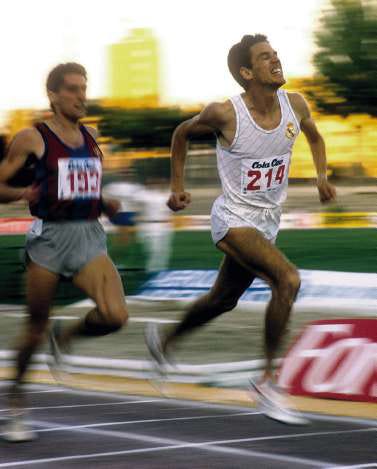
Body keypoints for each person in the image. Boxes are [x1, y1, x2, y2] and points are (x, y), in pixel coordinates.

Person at [146, 34, 336, 424]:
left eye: (276, 54)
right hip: (233, 218)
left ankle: (163, 341)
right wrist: (177, 187)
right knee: (287, 280)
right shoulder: (225, 113)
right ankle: (267, 382)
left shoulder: (295, 104)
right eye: (265, 57)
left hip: (267, 222)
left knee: (222, 300)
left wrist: (321, 176)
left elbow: (315, 137)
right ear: (246, 73)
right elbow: (181, 132)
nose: (276, 60)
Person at [0, 63, 128, 441]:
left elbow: (82, 185)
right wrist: (22, 194)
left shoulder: (90, 137)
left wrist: (105, 202)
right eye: (72, 89)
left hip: (89, 236)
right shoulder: (32, 138)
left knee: (115, 315)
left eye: (83, 87)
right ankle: (17, 401)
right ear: (53, 96)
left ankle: (66, 338)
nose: (80, 95)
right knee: (34, 328)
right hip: (50, 240)